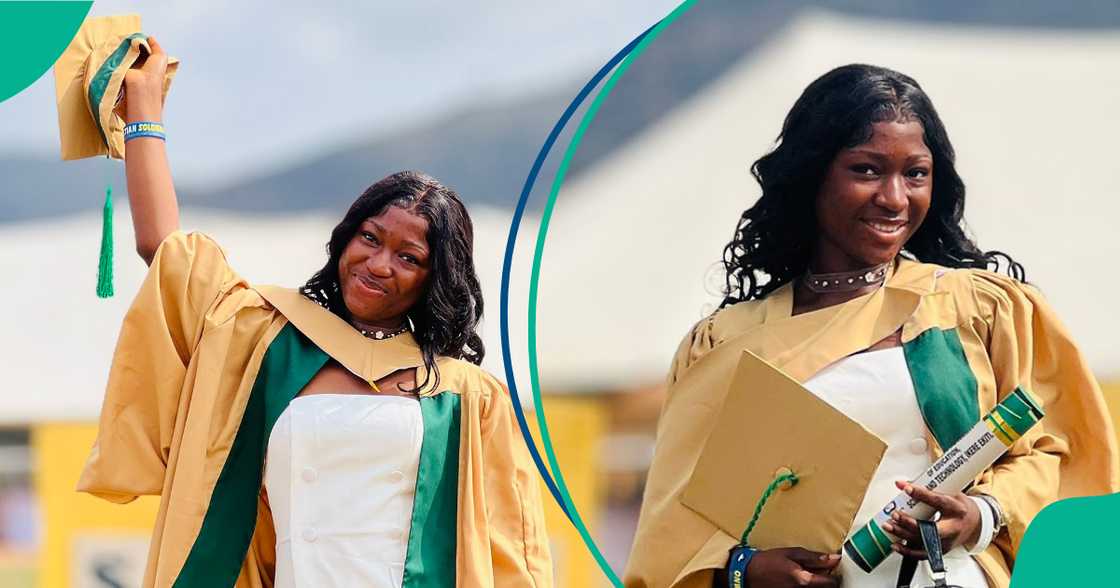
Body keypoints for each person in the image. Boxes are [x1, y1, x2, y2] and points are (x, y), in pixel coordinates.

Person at [76, 37, 553, 588]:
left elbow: (513, 553)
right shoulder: (269, 342)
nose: (377, 263)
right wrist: (144, 110)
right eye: (369, 238)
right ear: (345, 237)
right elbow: (166, 250)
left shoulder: (467, 397)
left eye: (408, 257)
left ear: (435, 277)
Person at [623, 64, 1118, 588]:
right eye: (866, 170)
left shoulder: (978, 308)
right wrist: (745, 572)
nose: (895, 198)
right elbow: (670, 540)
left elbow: (1066, 457)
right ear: (812, 175)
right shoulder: (724, 344)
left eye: (916, 173)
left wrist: (982, 514)